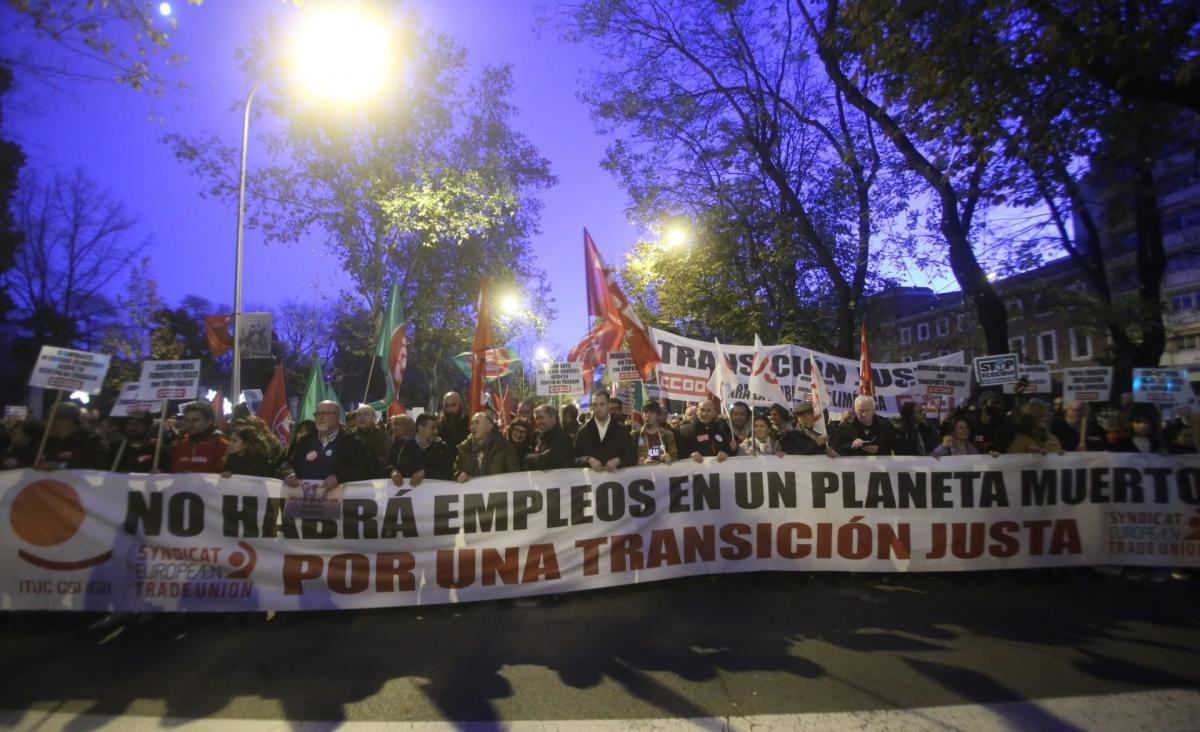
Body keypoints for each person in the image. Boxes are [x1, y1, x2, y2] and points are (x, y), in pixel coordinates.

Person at [283, 401, 378, 491]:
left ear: (337, 416)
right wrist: (289, 474)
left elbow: (366, 469)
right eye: (317, 414)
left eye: (325, 413)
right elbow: (288, 464)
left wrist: (339, 477)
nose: (320, 417)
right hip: (304, 499)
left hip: (340, 500)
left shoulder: (353, 441)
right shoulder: (306, 441)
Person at [34, 402, 109, 471]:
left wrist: (60, 466)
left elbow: (92, 464)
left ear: (67, 421)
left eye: (50, 419)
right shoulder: (48, 440)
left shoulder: (92, 440)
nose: (46, 424)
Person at [573, 390, 636, 471]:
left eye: (602, 404)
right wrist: (588, 459)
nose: (598, 408)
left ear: (609, 405)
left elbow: (632, 457)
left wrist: (619, 460)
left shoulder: (622, 430)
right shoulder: (583, 431)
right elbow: (574, 459)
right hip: (591, 478)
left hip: (616, 478)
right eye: (595, 404)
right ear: (591, 406)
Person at [391, 412, 455, 486]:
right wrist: (393, 472)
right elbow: (390, 465)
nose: (436, 431)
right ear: (420, 428)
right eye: (433, 428)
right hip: (405, 491)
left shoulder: (442, 448)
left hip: (434, 492)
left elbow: (448, 473)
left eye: (437, 428)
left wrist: (425, 473)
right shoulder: (401, 446)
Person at [454, 411, 520, 481]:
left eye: (477, 422)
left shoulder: (505, 447)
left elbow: (515, 477)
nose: (473, 426)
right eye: (472, 423)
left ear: (489, 426)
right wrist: (458, 475)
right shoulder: (464, 449)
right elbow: (456, 472)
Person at [169, 401, 229, 474]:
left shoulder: (221, 445)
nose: (190, 424)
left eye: (195, 420)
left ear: (209, 421)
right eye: (187, 420)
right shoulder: (180, 444)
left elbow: (228, 473)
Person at [524, 404, 576, 470]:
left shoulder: (563, 439)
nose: (538, 421)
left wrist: (528, 457)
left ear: (553, 417)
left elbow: (544, 462)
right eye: (536, 418)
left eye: (541, 417)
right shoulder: (538, 437)